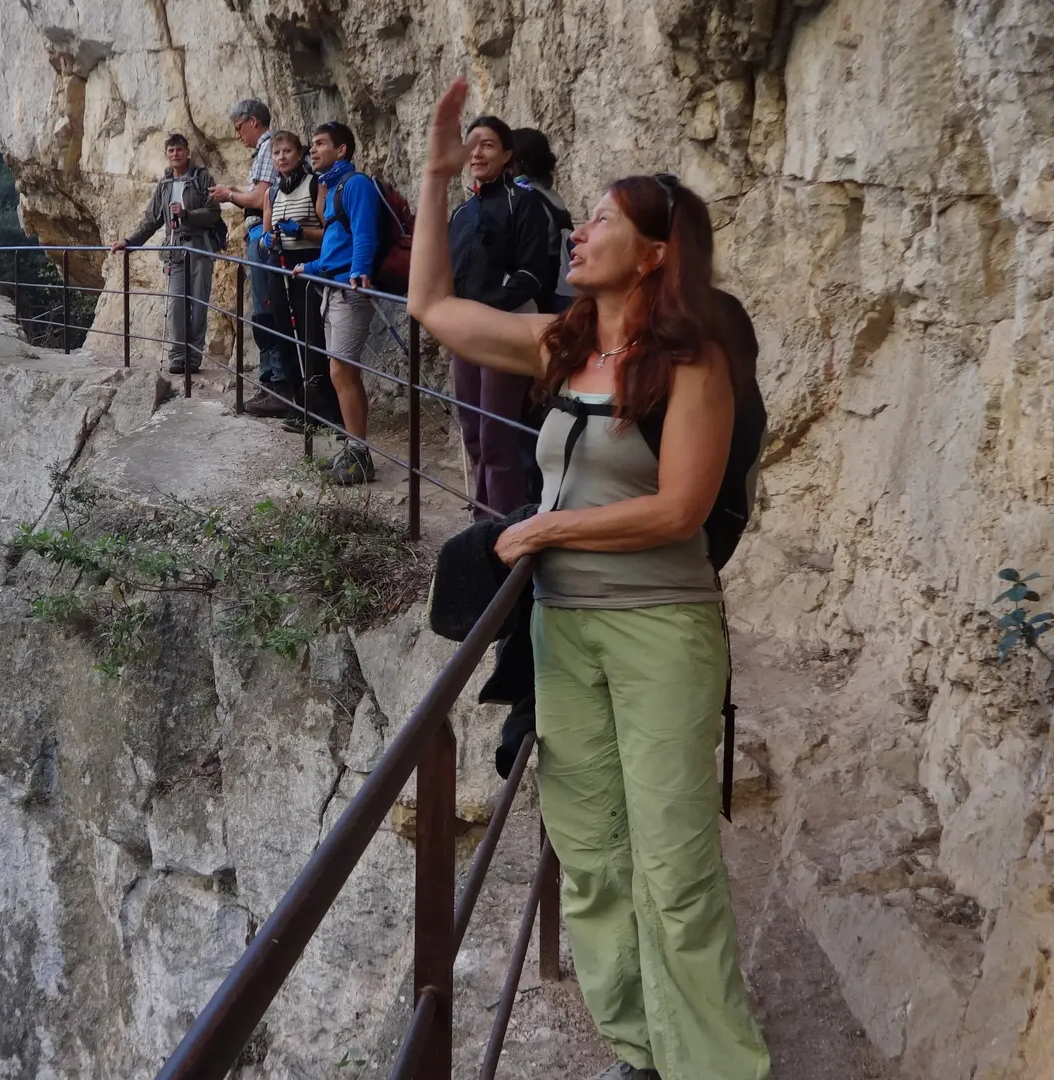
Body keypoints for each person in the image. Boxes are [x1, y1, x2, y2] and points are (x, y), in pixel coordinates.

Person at [408, 79, 771, 1080]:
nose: (582, 232)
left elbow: (680, 509)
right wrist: (438, 178)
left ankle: (716, 1065)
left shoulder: (689, 359)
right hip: (565, 632)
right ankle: (638, 1049)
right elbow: (432, 307)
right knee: (594, 852)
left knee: (674, 863)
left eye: (604, 220)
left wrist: (544, 527)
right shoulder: (565, 345)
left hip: (661, 629)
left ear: (655, 251)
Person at [446, 115, 554, 517]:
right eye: (471, 144)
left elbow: (531, 273)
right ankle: (482, 515)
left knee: (497, 435)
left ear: (508, 155)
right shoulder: (461, 213)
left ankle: (505, 525)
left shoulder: (523, 203)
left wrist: (486, 310)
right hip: (466, 331)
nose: (477, 152)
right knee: (474, 433)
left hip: (507, 328)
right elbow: (450, 274)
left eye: (488, 144)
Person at [293, 121, 382, 486]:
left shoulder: (355, 184)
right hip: (332, 287)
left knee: (341, 372)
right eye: (311, 145)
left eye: (320, 144)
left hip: (348, 290)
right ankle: (354, 448)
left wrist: (360, 270)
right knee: (343, 372)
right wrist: (310, 266)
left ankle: (359, 455)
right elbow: (336, 244)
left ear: (341, 149)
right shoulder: (333, 189)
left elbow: (364, 231)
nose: (312, 150)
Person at [112, 133, 225, 375]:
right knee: (176, 303)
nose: (175, 154)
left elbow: (214, 211)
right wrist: (129, 241)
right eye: (171, 151)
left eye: (179, 150)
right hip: (173, 248)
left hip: (199, 247)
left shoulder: (202, 178)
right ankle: (177, 356)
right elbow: (152, 220)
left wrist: (187, 215)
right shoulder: (164, 185)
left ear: (188, 152)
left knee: (198, 303)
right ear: (167, 155)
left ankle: (193, 358)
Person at [209, 99, 295, 408]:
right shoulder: (265, 150)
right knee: (265, 307)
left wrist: (229, 195)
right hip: (262, 233)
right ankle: (272, 380)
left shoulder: (268, 146)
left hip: (263, 234)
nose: (237, 136)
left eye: (238, 128)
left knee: (267, 308)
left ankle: (277, 384)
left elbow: (260, 198)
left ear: (253, 122)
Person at [262, 130, 338, 428]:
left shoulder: (314, 185)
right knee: (284, 335)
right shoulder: (272, 192)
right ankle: (299, 406)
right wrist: (268, 240)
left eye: (287, 152)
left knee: (311, 336)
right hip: (279, 265)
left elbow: (329, 231)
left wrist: (303, 232)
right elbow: (266, 234)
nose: (282, 158)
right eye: (277, 153)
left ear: (299, 154)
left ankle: (323, 410)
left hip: (307, 266)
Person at [512, 126, 577, 316]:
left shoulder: (525, 197)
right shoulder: (550, 194)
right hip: (560, 285)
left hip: (540, 292)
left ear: (519, 161)